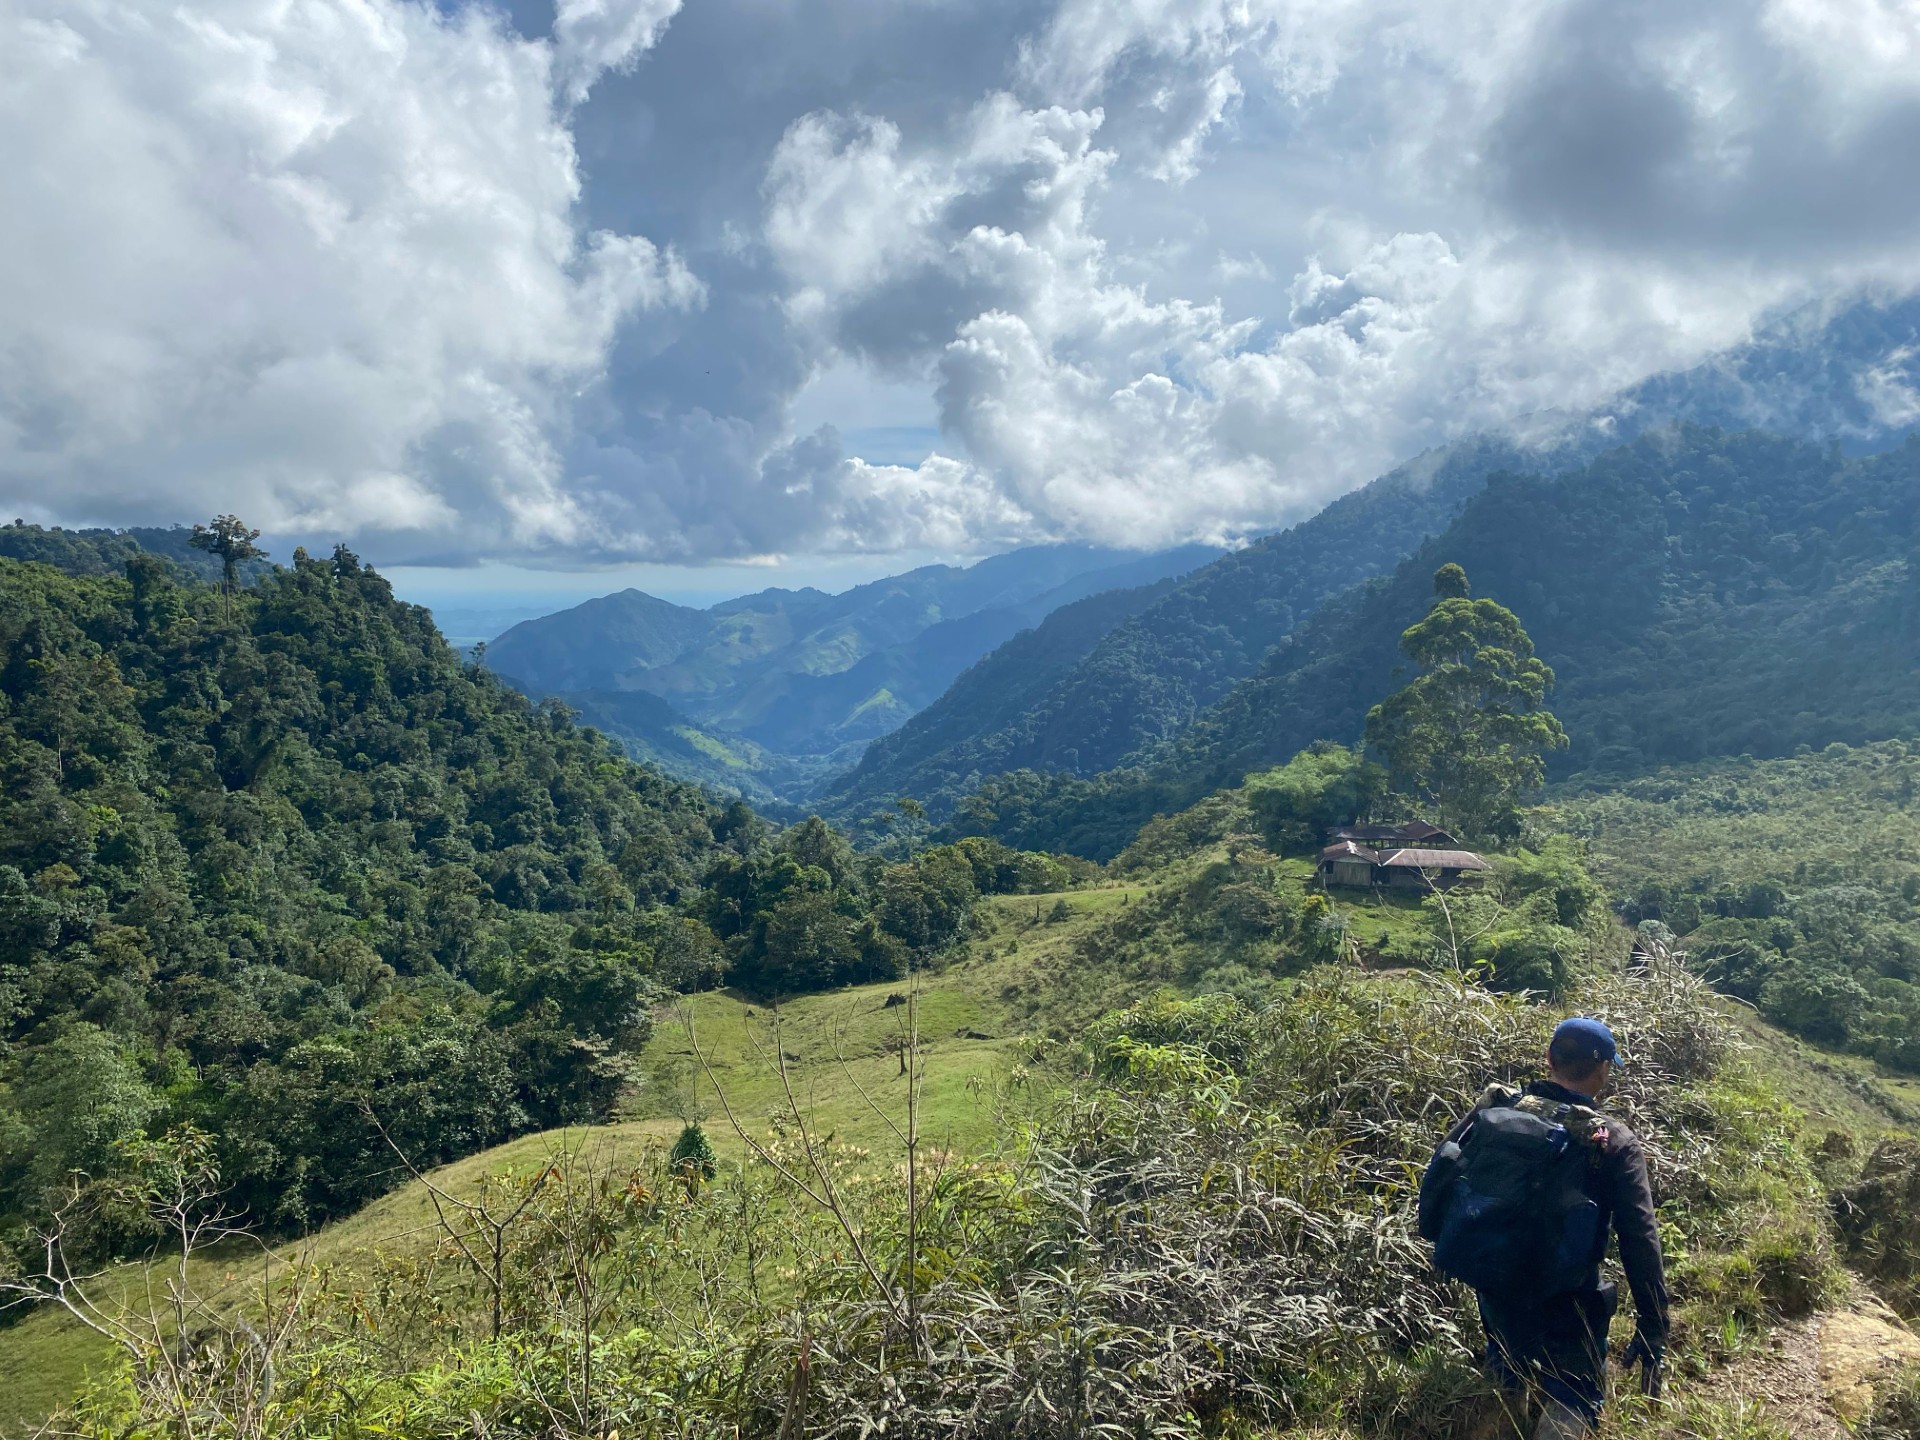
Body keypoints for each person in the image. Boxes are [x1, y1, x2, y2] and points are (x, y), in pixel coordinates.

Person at [1430, 1017, 1669, 1438]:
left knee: (1507, 1373)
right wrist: (1653, 1323)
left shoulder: (1498, 1108)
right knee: (1574, 1396)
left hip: (1495, 1280)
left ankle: (1505, 1409)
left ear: (1549, 1059)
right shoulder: (1612, 1141)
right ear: (1602, 1071)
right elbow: (1640, 1239)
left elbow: (1442, 1172)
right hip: (1570, 1298)